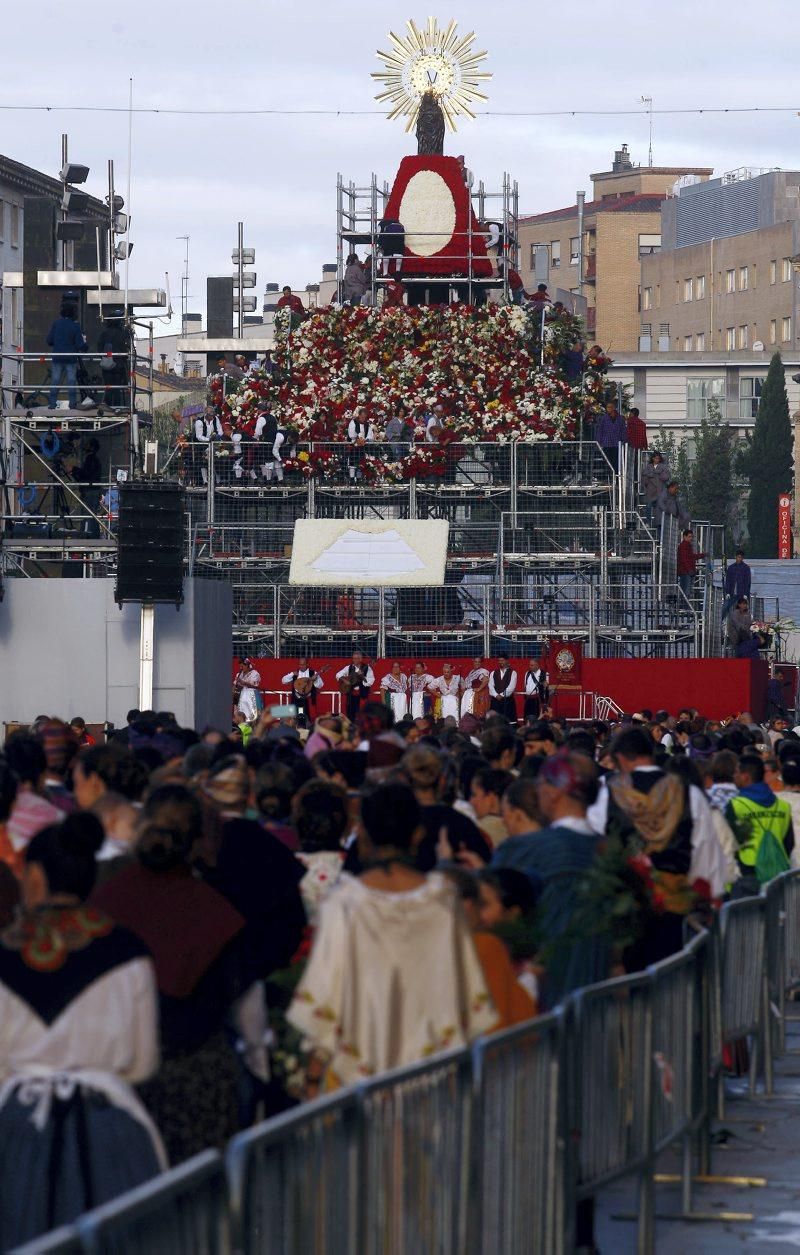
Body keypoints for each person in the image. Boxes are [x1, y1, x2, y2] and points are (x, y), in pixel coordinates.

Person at [0, 814, 164, 1248]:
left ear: (34, 877)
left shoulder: (5, 954)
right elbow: (143, 1061)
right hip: (113, 1132)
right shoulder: (128, 951)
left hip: (16, 1132)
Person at [287, 781, 496, 1090]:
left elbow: (326, 1003)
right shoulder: (444, 901)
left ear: (364, 835)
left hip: (360, 1083)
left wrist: (313, 1076)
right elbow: (467, 996)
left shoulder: (344, 903)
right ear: (417, 834)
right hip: (435, 1079)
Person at [92, 785, 264, 1161]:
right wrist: (258, 1068)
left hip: (119, 1080)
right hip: (200, 1079)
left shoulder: (103, 903)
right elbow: (249, 1011)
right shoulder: (218, 912)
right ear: (198, 838)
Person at [588, 727, 727, 960]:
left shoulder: (607, 795)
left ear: (619, 758)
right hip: (677, 909)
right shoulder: (689, 793)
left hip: (624, 909)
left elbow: (595, 851)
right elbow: (705, 854)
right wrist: (706, 897)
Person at [492, 752, 608, 1009]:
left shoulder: (522, 850)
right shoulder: (613, 854)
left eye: (542, 785)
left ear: (555, 792)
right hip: (598, 1001)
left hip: (537, 999)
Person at [724, 755, 793, 894]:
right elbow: (789, 843)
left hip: (747, 875)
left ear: (745, 776)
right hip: (778, 876)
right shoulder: (783, 806)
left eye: (737, 772)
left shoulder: (736, 806)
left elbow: (728, 844)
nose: (734, 776)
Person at [47, 301, 87, 410]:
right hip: (70, 358)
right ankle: (72, 404)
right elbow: (80, 345)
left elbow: (49, 340)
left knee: (55, 381)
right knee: (71, 381)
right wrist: (85, 346)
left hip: (57, 357)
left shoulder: (56, 324)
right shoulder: (75, 326)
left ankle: (52, 404)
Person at [470, 767, 514, 847]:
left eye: (474, 795)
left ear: (491, 798)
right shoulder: (517, 831)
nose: (471, 802)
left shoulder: (478, 832)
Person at [281, 657, 324, 729]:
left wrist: (315, 680)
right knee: (294, 718)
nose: (301, 666)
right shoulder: (295, 673)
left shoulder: (313, 673)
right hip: (296, 699)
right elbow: (283, 681)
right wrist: (291, 674)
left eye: (303, 664)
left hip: (308, 700)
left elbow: (320, 685)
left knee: (305, 720)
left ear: (307, 664)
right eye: (300, 664)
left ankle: (305, 733)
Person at [594, 399, 627, 473]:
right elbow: (600, 430)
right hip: (606, 444)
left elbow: (623, 431)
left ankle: (616, 478)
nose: (608, 409)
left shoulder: (620, 418)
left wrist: (623, 441)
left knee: (616, 463)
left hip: (617, 444)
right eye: (607, 407)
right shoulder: (603, 418)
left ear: (613, 408)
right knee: (608, 463)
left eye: (610, 407)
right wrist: (599, 443)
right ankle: (609, 478)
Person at [722, 550, 752, 621]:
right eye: (738, 557)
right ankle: (721, 621)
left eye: (741, 557)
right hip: (732, 593)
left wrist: (745, 593)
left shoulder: (746, 568)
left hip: (741, 594)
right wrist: (728, 592)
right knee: (725, 607)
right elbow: (728, 581)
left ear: (743, 558)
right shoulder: (731, 568)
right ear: (735, 557)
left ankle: (743, 625)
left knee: (742, 610)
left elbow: (748, 582)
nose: (739, 559)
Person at [641, 451, 669, 525]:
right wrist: (648, 479)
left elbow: (666, 477)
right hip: (650, 491)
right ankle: (648, 522)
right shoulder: (648, 467)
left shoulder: (663, 467)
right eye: (656, 458)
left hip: (660, 491)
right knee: (648, 507)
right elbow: (644, 478)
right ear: (653, 458)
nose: (657, 460)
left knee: (659, 509)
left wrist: (657, 474)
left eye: (658, 458)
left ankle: (658, 524)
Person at [676, 528, 705, 601]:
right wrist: (689, 570)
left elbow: (690, 557)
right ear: (684, 537)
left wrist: (702, 555)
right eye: (689, 536)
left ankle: (684, 608)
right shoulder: (683, 546)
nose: (691, 538)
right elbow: (685, 559)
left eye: (691, 536)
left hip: (687, 571)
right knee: (686, 591)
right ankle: (684, 608)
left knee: (687, 591)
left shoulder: (687, 545)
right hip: (686, 572)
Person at [489, 654, 517, 722]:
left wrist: (501, 695)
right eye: (499, 660)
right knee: (495, 721)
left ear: (507, 661)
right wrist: (496, 695)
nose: (500, 662)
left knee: (508, 720)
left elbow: (511, 687)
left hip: (508, 701)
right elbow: (490, 686)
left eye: (502, 660)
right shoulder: (493, 672)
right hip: (495, 701)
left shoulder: (513, 673)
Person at [233, 658, 262, 723]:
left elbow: (254, 685)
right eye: (240, 666)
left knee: (252, 716)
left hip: (251, 696)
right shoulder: (239, 674)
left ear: (247, 665)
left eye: (242, 666)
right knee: (239, 716)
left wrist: (242, 682)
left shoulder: (254, 673)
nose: (241, 668)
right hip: (240, 697)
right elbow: (235, 684)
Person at [523, 657, 550, 723]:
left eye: (532, 665)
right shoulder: (527, 673)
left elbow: (546, 688)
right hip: (528, 699)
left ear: (537, 665)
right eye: (529, 665)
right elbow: (525, 685)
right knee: (527, 718)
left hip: (538, 700)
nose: (530, 666)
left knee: (537, 719)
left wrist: (545, 684)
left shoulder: (545, 674)